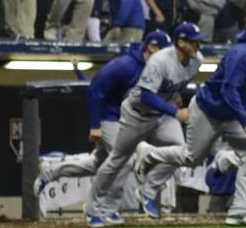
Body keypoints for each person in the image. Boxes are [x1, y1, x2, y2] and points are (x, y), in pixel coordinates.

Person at [134, 15, 246, 225]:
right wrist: (245, 120)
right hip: (208, 110)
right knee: (190, 158)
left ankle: (238, 212)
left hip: (231, 114)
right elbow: (229, 89)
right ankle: (149, 153)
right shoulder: (243, 53)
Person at [34, 31, 172, 213]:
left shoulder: (153, 69)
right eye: (164, 52)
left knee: (96, 165)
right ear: (152, 48)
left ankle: (50, 173)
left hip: (122, 120)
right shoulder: (127, 65)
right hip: (108, 117)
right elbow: (95, 90)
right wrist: (95, 126)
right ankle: (105, 207)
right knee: (125, 160)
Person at [84, 22, 205, 227]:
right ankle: (93, 210)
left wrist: (174, 97)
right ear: (181, 42)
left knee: (183, 152)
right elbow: (147, 96)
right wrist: (175, 112)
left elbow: (174, 82)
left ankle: (148, 189)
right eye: (194, 42)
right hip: (137, 114)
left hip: (162, 115)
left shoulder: (197, 61)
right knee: (117, 160)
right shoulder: (158, 61)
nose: (198, 46)